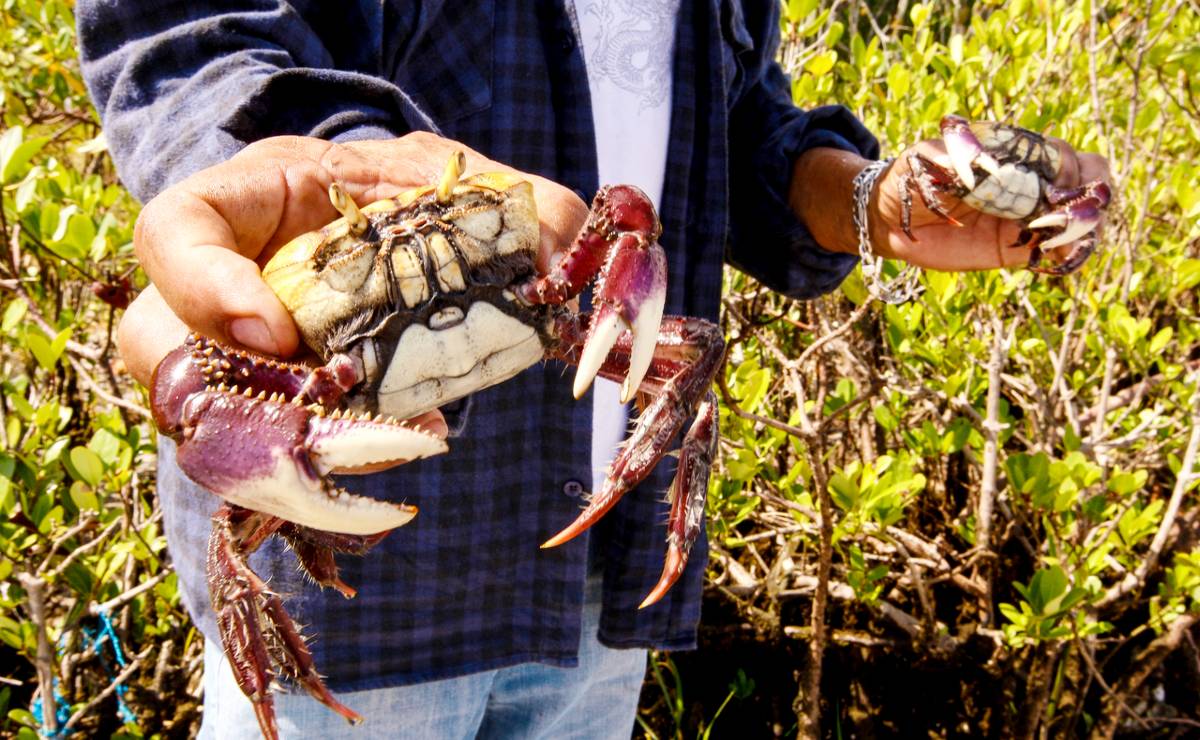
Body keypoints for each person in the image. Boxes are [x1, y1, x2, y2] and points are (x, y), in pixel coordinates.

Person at [78, 1, 1109, 737]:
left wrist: (879, 200)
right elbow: (187, 32)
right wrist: (348, 162)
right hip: (364, 601)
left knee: (691, 356)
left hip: (598, 577)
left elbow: (728, 129)